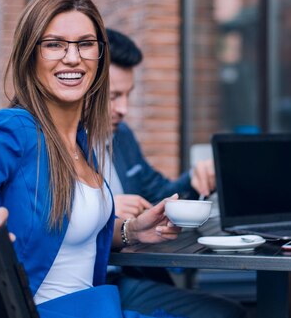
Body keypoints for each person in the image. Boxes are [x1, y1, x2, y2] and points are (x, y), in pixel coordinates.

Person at [0, 0, 182, 318]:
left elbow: (73, 239)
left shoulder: (80, 141)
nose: (72, 58)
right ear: (30, 55)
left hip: (93, 306)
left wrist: (131, 230)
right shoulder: (13, 131)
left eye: (85, 44)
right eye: (54, 44)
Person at [104, 28, 246, 318]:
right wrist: (103, 206)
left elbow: (156, 192)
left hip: (136, 273)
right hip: (97, 283)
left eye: (128, 95)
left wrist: (194, 180)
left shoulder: (122, 136)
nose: (124, 109)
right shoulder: (56, 146)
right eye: (113, 96)